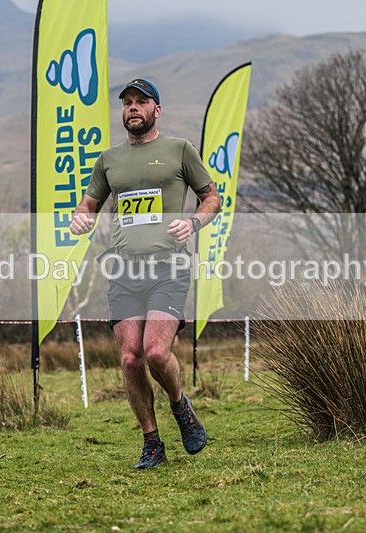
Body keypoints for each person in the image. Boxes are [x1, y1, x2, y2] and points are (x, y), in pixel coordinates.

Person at [70, 78, 221, 469]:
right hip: (123, 269)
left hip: (168, 266)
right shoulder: (109, 159)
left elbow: (212, 197)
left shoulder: (178, 150)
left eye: (141, 102)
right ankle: (152, 442)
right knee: (131, 359)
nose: (133, 108)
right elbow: (88, 204)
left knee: (156, 351)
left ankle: (181, 407)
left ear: (157, 110)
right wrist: (80, 219)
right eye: (127, 103)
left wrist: (193, 223)